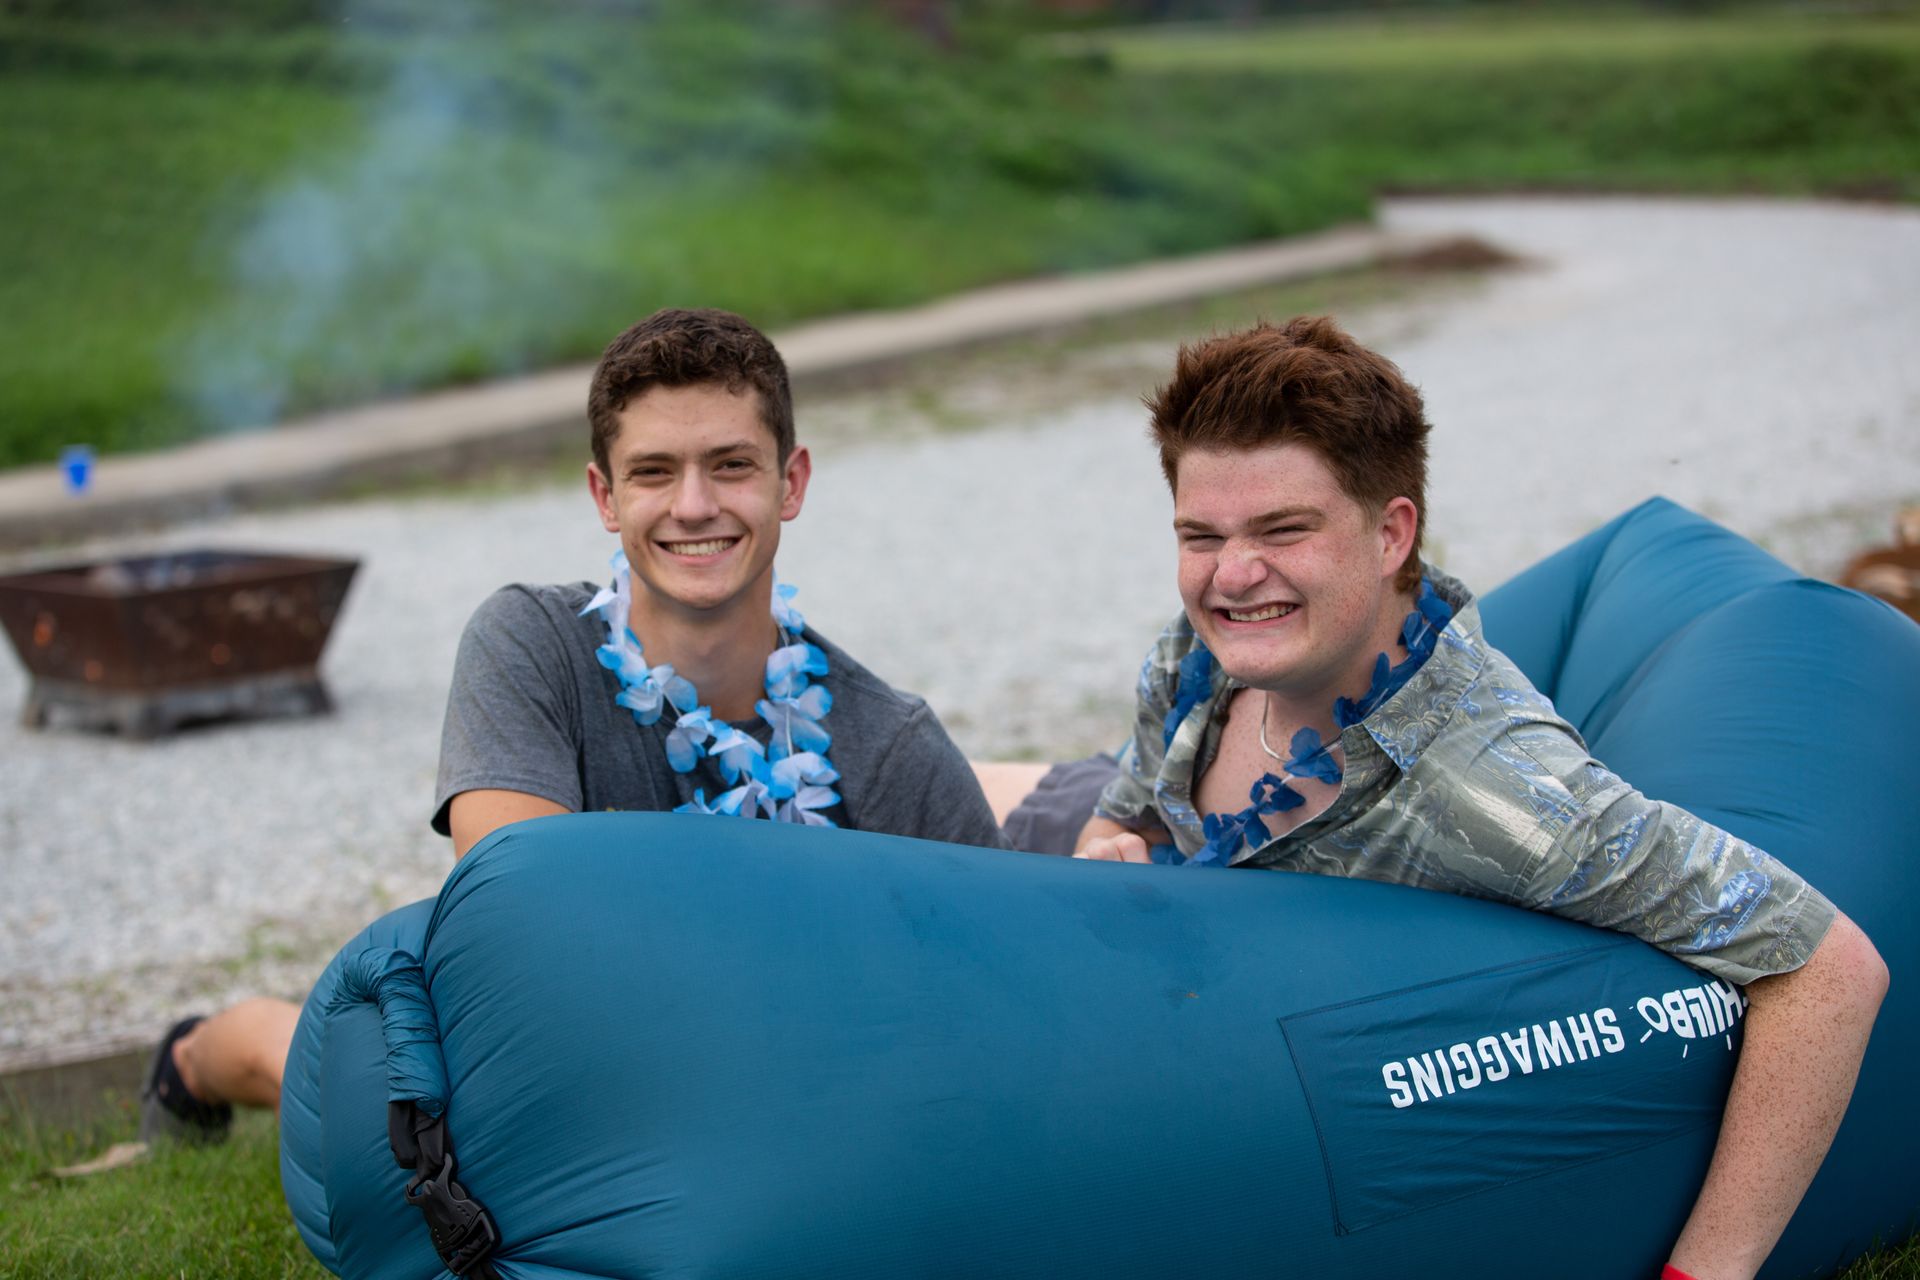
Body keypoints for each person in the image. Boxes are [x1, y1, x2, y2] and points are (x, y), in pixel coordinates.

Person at [999, 315, 1886, 1280]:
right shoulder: (1195, 658)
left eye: (1283, 530)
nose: (1232, 575)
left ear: (1391, 532)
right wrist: (1108, 844)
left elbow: (1828, 966)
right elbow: (1124, 809)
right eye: (1200, 536)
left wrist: (1703, 1273)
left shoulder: (1494, 789)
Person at [143, 307, 1006, 1142]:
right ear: (605, 494)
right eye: (654, 471)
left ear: (793, 483)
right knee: (331, 1080)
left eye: (732, 465)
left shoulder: (888, 744)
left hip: (772, 1109)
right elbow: (521, 909)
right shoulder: (530, 642)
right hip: (538, 1073)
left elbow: (994, 989)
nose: (694, 505)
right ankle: (189, 1060)